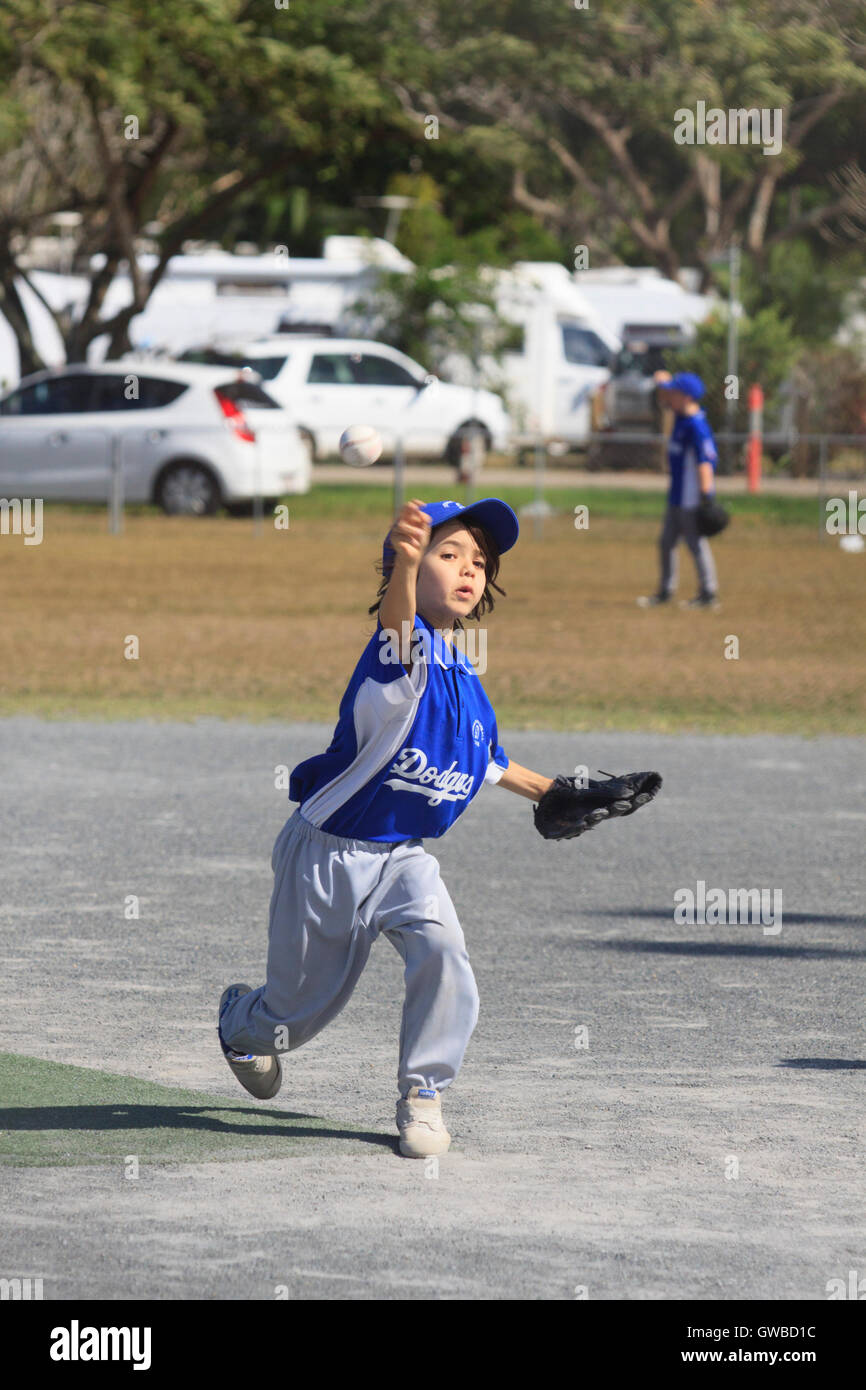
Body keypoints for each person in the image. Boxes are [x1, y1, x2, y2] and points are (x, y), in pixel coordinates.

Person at [216, 496, 560, 1159]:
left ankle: (423, 1095)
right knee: (295, 1014)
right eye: (448, 553)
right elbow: (397, 620)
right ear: (407, 561)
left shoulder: (465, 674)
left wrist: (553, 792)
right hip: (328, 854)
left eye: (479, 562)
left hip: (402, 857)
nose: (468, 570)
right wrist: (404, 566)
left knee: (444, 950)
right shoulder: (401, 653)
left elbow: (486, 761)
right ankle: (241, 1023)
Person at [637, 371, 720, 610]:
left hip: (691, 499)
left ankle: (708, 593)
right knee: (666, 543)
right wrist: (660, 380)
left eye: (673, 392)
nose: (668, 396)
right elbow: (662, 394)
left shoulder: (696, 426)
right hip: (676, 496)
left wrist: (707, 497)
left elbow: (705, 462)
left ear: (685, 397)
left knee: (696, 544)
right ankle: (665, 591)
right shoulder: (681, 418)